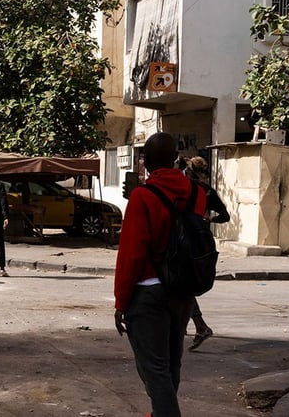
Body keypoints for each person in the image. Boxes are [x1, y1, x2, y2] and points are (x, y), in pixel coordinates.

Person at [114, 132, 206, 417]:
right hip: (183, 289)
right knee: (170, 363)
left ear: (148, 161)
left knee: (153, 369)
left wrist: (120, 302)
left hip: (148, 291)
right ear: (175, 159)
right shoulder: (196, 193)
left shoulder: (143, 196)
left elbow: (131, 253)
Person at [183, 155, 230, 351]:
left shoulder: (185, 188)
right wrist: (208, 220)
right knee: (184, 284)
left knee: (181, 284)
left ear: (189, 170)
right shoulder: (208, 191)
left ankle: (199, 326)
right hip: (203, 243)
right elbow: (225, 216)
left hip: (185, 240)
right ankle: (192, 325)